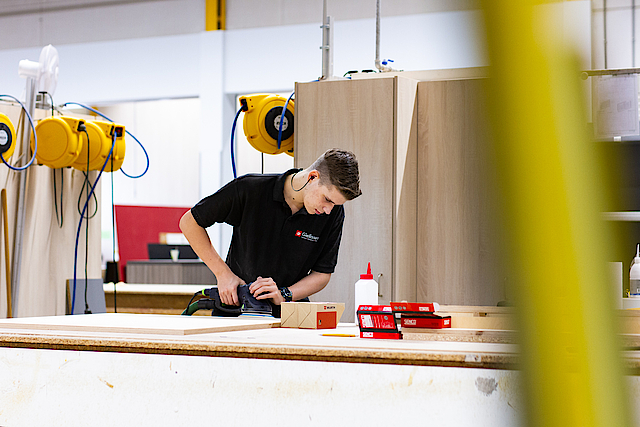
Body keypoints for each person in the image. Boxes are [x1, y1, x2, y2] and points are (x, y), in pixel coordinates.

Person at [179, 148, 361, 317]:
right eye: (327, 199)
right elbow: (189, 223)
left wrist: (285, 295)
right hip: (235, 312)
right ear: (312, 177)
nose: (328, 210)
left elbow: (322, 274)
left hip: (290, 317)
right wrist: (223, 274)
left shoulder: (333, 213)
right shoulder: (250, 190)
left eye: (334, 205)